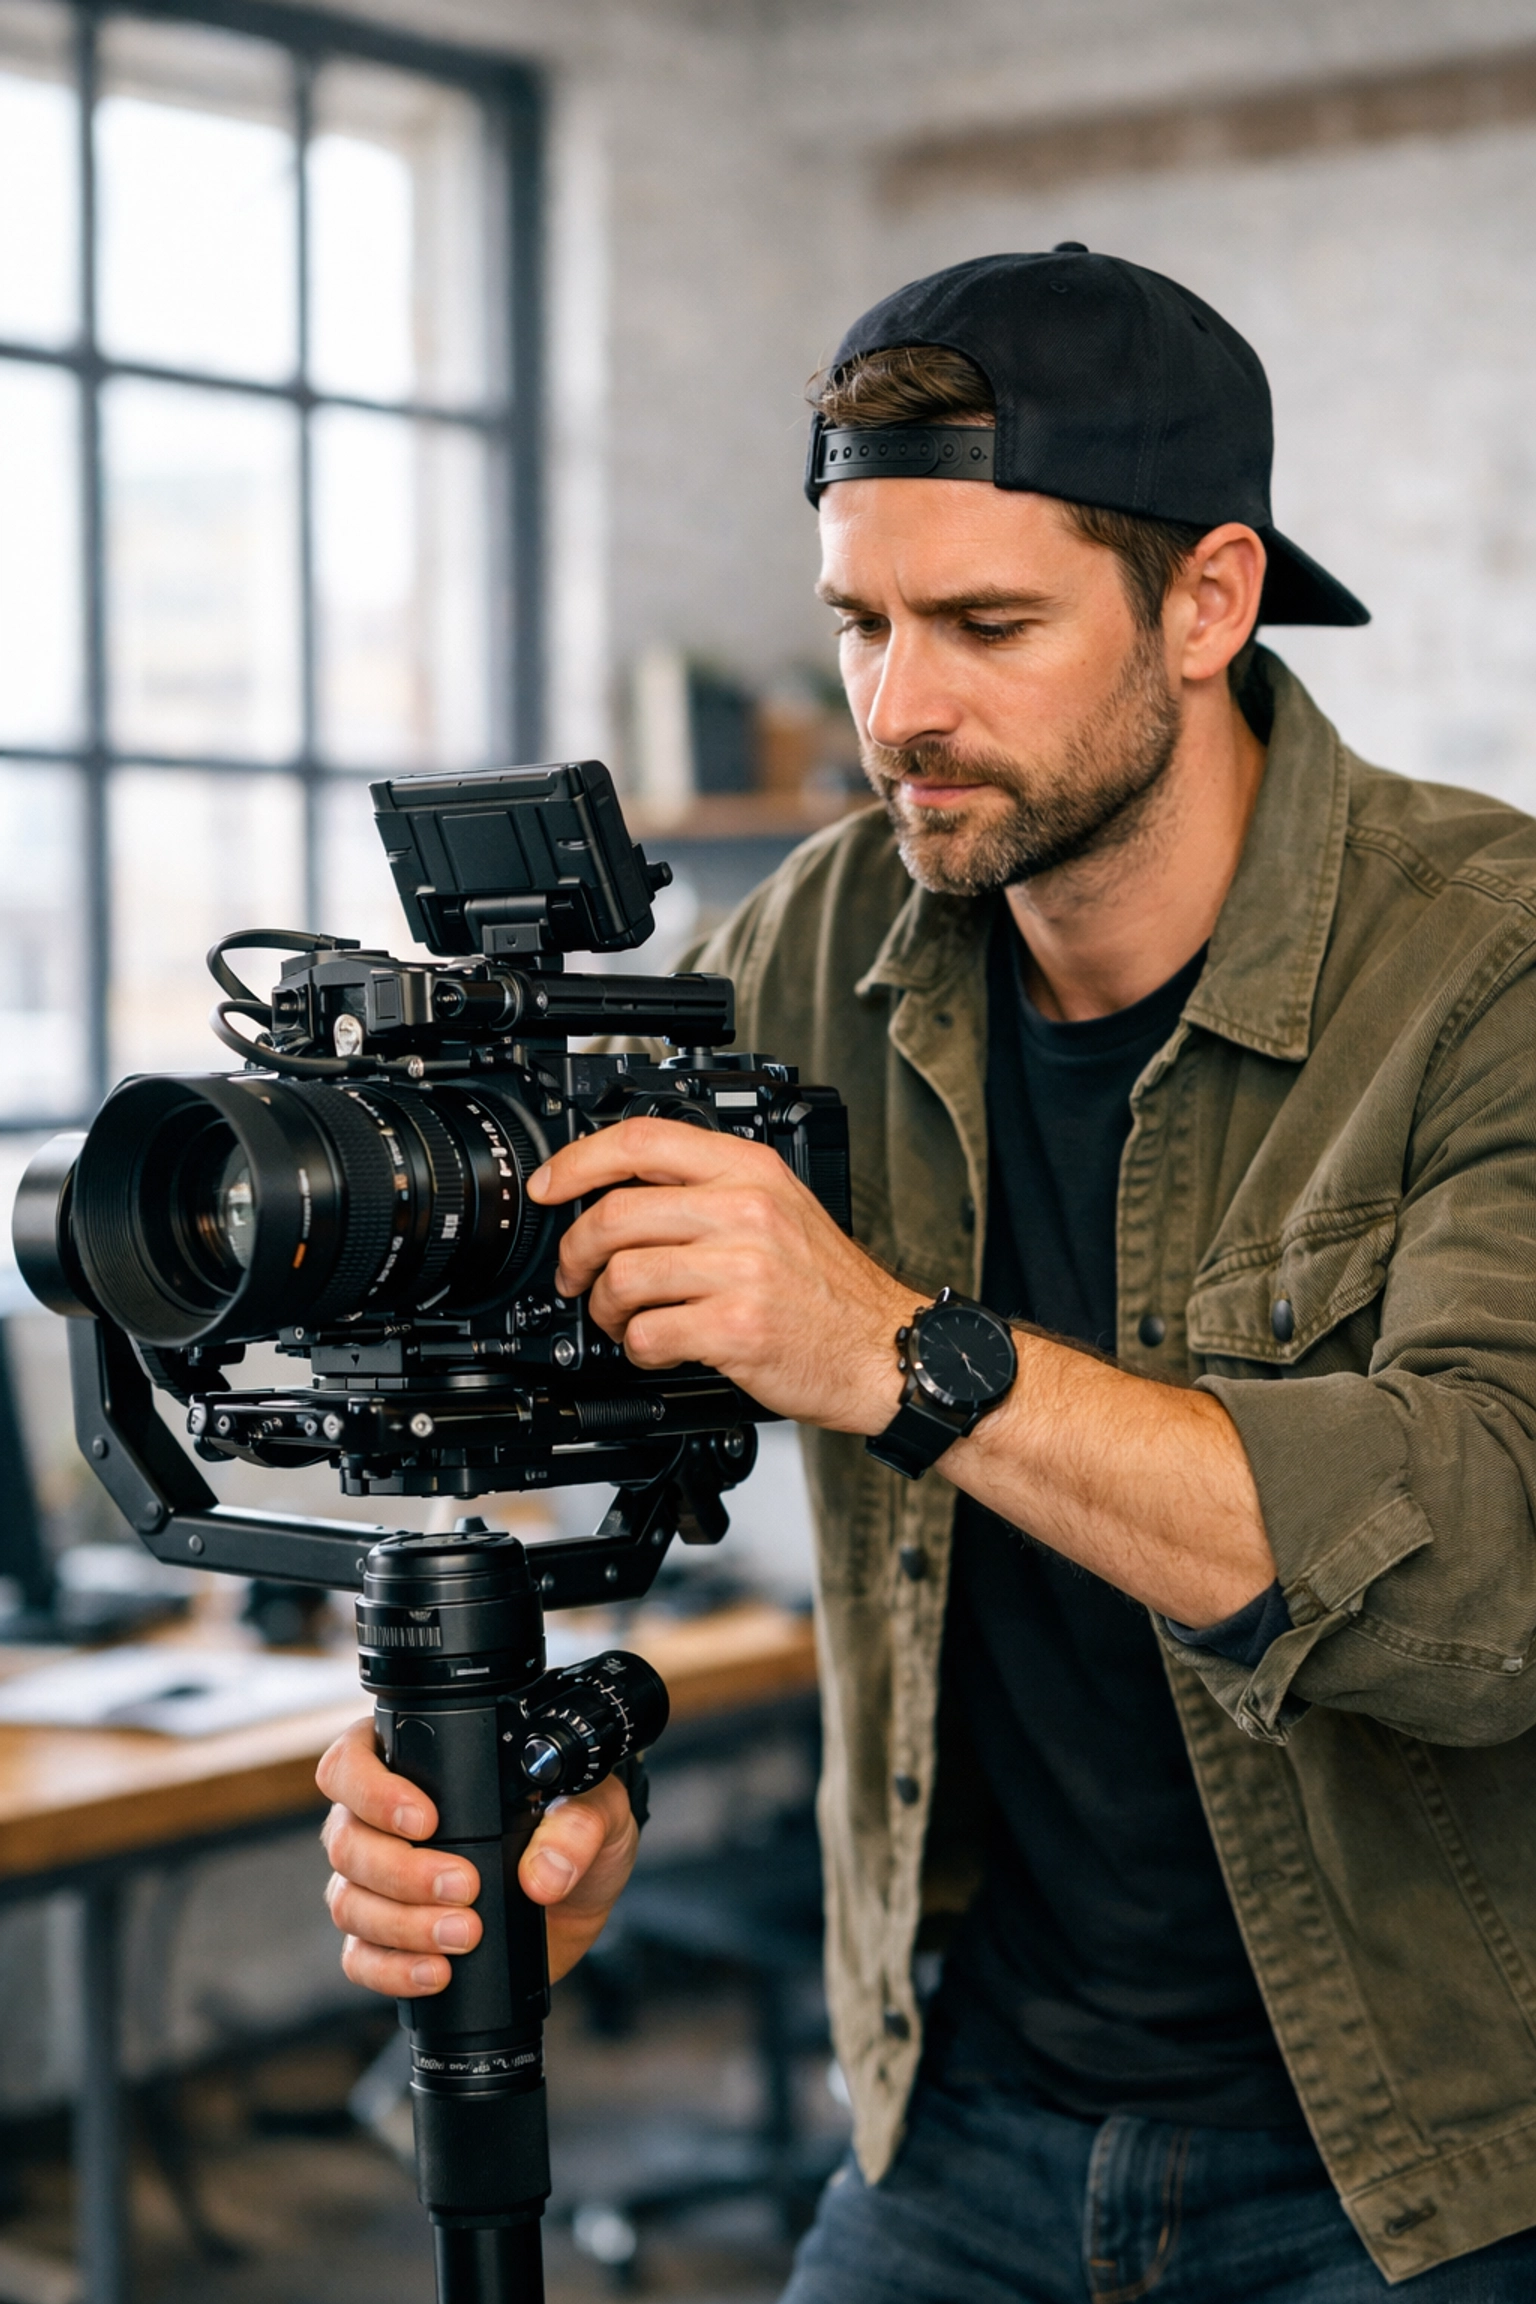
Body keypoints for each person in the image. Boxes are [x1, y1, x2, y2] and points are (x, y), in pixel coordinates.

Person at [316, 249, 1536, 2299]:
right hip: (955, 2110)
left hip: (1417, 2149)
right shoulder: (808, 951)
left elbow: (1489, 1575)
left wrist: (897, 1351)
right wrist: (537, 1780)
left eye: (987, 624)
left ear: (1209, 601)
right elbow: (603, 1381)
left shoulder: (1488, 965)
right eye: (863, 623)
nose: (902, 712)